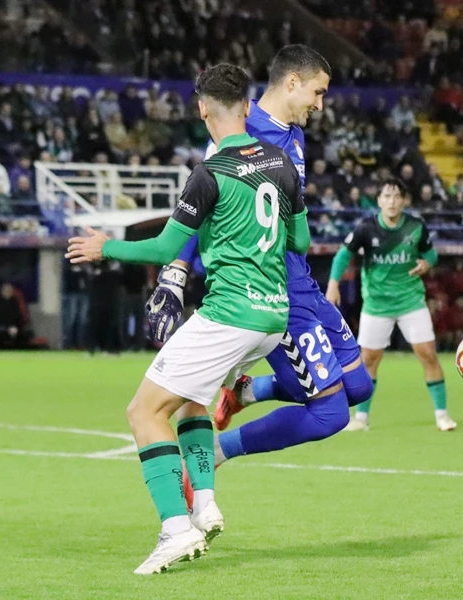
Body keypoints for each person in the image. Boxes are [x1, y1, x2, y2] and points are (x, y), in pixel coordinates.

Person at [64, 64, 309, 575]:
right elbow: (301, 243)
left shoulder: (210, 173)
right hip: (272, 316)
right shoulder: (283, 162)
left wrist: (103, 246)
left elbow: (166, 246)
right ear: (247, 106)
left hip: (230, 313)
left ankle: (175, 529)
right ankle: (204, 505)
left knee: (143, 413)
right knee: (192, 401)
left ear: (202, 110)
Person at [146, 46, 374, 494]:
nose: (320, 104)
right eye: (317, 92)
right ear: (292, 83)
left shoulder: (295, 135)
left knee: (361, 386)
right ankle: (219, 449)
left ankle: (249, 391)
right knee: (331, 413)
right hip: (274, 290)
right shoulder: (240, 133)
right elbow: (202, 207)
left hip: (302, 282)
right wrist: (176, 271)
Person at [327, 179, 456, 432]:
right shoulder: (366, 228)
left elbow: (431, 253)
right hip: (376, 304)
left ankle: (442, 415)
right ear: (379, 201)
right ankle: (361, 418)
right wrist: (333, 284)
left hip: (411, 301)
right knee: (368, 361)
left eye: (397, 197)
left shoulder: (416, 227)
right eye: (387, 196)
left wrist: (427, 262)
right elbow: (344, 254)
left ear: (404, 201)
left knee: (428, 355)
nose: (392, 202)